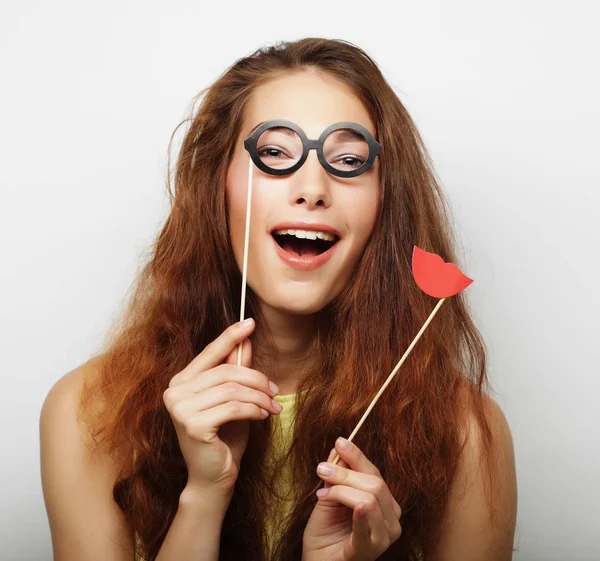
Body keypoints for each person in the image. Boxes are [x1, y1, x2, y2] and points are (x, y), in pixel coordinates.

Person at [39, 38, 517, 561]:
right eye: (273, 153)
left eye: (350, 159)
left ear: (387, 204)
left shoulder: (466, 432)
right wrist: (204, 495)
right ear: (215, 184)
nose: (312, 188)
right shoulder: (89, 413)